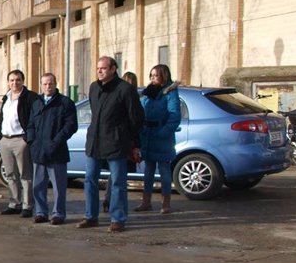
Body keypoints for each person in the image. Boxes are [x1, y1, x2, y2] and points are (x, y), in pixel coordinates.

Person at [79, 56, 144, 232]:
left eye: (103, 68)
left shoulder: (125, 89)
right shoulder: (94, 87)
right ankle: (90, 216)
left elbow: (136, 118)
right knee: (90, 180)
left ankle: (118, 218)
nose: (99, 71)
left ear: (113, 69)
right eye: (98, 68)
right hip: (94, 142)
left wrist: (132, 141)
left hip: (116, 142)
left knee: (117, 183)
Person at [25, 72, 78, 225]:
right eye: (45, 84)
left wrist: (56, 142)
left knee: (58, 187)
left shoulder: (65, 103)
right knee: (38, 185)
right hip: (38, 151)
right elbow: (30, 125)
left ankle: (58, 214)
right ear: (41, 85)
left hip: (57, 151)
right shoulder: (37, 103)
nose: (48, 86)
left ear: (55, 84)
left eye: (51, 83)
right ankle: (41, 212)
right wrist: (32, 141)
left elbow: (70, 125)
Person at [136, 63, 181, 215]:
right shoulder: (148, 92)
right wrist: (141, 129)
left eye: (156, 75)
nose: (153, 78)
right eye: (152, 75)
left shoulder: (170, 93)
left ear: (164, 76)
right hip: (148, 134)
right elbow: (141, 110)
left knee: (164, 171)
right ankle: (146, 201)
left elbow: (174, 116)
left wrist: (164, 132)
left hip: (162, 136)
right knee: (148, 171)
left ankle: (165, 203)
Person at [0, 69, 40, 218]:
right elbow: (1, 119)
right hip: (5, 140)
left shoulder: (30, 97)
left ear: (23, 81)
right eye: (12, 80)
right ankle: (14, 204)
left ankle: (27, 205)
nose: (15, 83)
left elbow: (34, 119)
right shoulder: (6, 98)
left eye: (18, 80)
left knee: (25, 175)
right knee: (10, 174)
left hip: (21, 140)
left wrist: (27, 139)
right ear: (8, 82)